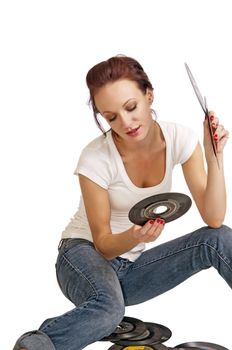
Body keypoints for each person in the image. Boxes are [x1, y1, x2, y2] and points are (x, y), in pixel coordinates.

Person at [14, 55, 232, 350]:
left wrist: (213, 155)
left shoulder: (180, 137)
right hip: (81, 255)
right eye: (111, 117)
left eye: (131, 107)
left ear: (149, 95)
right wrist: (134, 235)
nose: (125, 123)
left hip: (129, 270)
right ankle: (36, 344)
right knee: (108, 309)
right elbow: (103, 244)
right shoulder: (95, 158)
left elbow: (214, 218)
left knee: (217, 239)